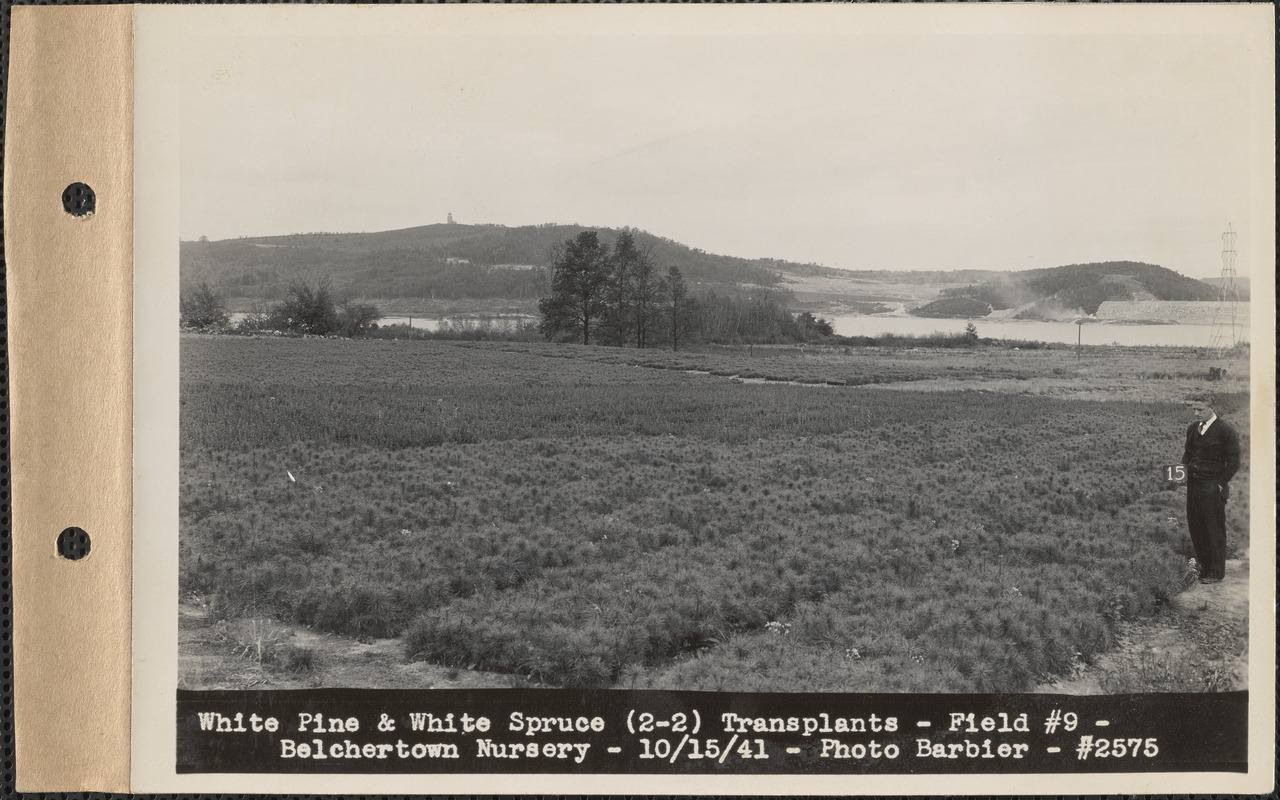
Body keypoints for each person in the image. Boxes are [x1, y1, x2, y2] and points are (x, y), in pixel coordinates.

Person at [1181, 393, 1242, 584]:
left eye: (1200, 410)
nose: (1196, 413)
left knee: (1213, 528)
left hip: (1212, 487)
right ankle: (1204, 568)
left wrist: (1220, 483)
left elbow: (1234, 462)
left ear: (1212, 408)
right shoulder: (1192, 429)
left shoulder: (1225, 431)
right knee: (1196, 526)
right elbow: (1187, 454)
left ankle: (1216, 572)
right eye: (1194, 410)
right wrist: (1181, 472)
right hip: (1194, 486)